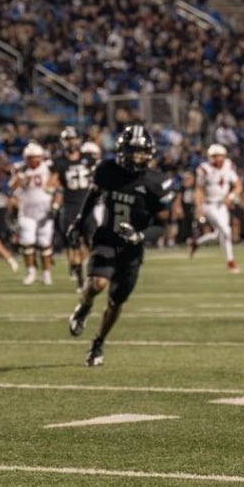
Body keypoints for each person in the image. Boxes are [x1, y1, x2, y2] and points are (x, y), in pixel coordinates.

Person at [66, 125, 173, 366]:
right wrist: (79, 222)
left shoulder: (157, 183)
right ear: (122, 150)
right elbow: (93, 196)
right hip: (107, 237)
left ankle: (98, 342)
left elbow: (164, 225)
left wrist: (141, 236)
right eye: (132, 151)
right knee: (96, 284)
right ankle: (84, 307)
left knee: (116, 302)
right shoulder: (106, 170)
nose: (137, 157)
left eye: (141, 152)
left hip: (132, 249)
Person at [52, 127, 96, 288]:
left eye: (73, 138)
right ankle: (79, 279)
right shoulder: (59, 162)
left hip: (88, 205)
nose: (71, 142)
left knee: (91, 243)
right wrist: (55, 196)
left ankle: (79, 268)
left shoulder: (88, 158)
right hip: (70, 206)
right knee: (73, 244)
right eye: (68, 139)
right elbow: (52, 182)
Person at [12, 141, 59, 286]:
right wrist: (20, 179)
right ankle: (31, 272)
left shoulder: (49, 168)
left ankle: (46, 274)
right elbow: (12, 188)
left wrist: (54, 198)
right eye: (30, 157)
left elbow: (56, 183)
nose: (33, 160)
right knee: (27, 243)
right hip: (26, 211)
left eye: (36, 157)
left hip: (44, 210)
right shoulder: (20, 169)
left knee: (45, 244)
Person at [189, 143, 242, 273]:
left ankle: (196, 242)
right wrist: (199, 206)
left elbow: (238, 185)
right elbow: (199, 189)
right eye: (214, 156)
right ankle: (230, 262)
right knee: (226, 231)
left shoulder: (229, 165)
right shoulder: (204, 169)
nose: (216, 159)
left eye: (219, 156)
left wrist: (230, 197)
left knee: (219, 234)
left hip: (222, 205)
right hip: (209, 204)